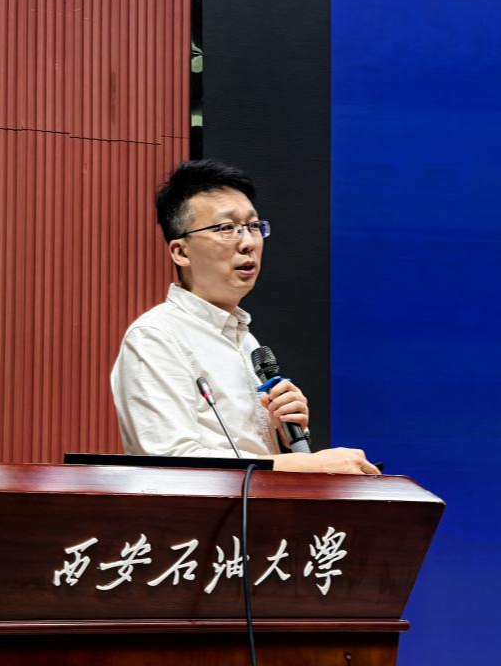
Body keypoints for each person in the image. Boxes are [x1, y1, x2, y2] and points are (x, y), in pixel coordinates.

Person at [110, 159, 379, 474]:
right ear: (181, 252)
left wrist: (285, 439)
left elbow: (249, 458)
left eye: (253, 226)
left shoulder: (247, 342)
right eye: (226, 228)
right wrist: (309, 465)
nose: (248, 243)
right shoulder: (155, 336)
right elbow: (172, 463)